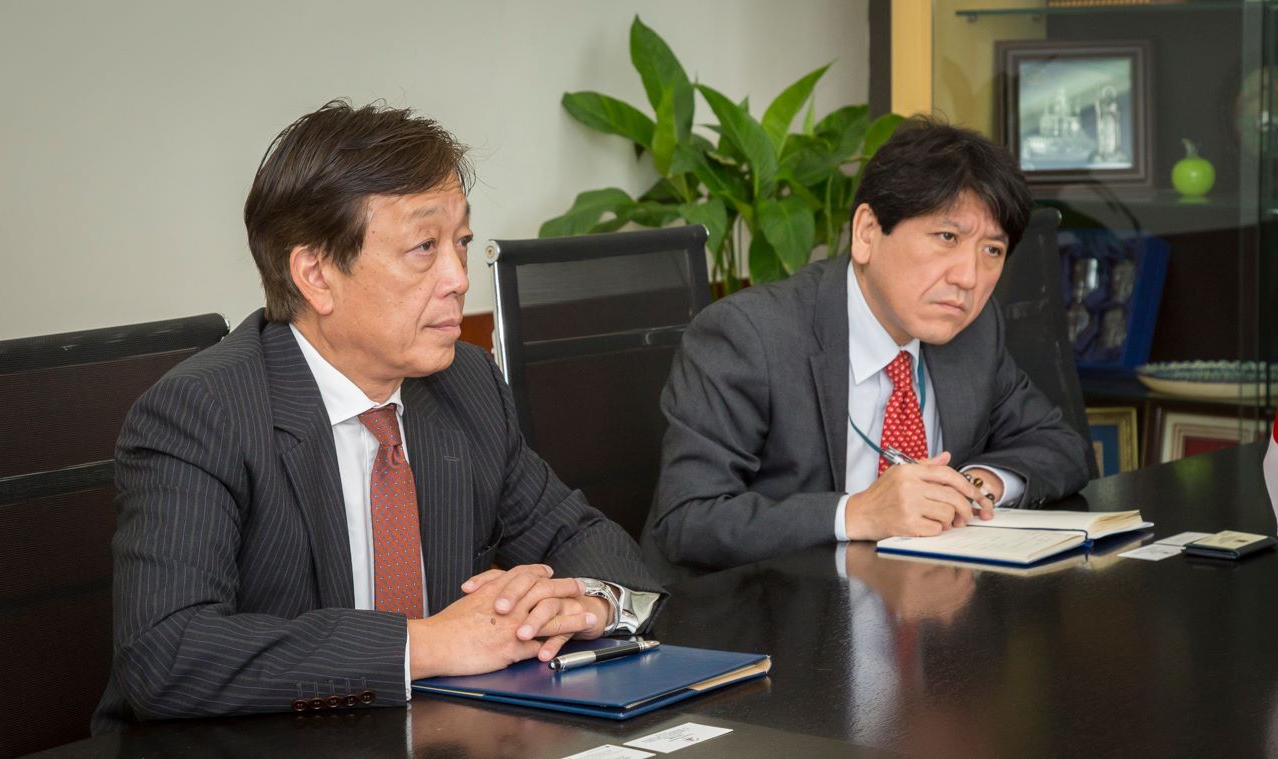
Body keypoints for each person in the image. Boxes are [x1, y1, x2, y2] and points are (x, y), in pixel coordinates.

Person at [92, 100, 664, 732]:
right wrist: (430, 644)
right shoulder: (202, 414)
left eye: (460, 244)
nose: (457, 278)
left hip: (433, 736)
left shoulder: (465, 385)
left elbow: (586, 541)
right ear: (316, 275)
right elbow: (167, 654)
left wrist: (589, 604)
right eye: (423, 247)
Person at [642, 116, 1091, 579]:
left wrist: (973, 486)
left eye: (992, 250)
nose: (968, 277)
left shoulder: (974, 333)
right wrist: (857, 513)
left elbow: (1061, 446)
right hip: (771, 606)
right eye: (947, 237)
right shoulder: (750, 335)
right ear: (867, 233)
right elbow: (687, 519)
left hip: (929, 596)